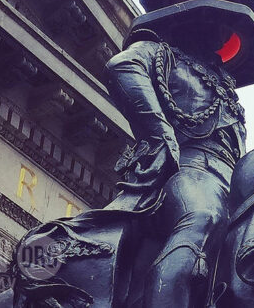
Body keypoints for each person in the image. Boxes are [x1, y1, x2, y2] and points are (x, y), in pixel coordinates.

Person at [105, 27, 245, 307]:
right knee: (203, 216)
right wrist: (161, 134)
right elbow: (122, 65)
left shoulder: (229, 94)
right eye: (214, 22)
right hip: (189, 169)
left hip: (233, 185)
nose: (221, 34)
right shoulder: (162, 53)